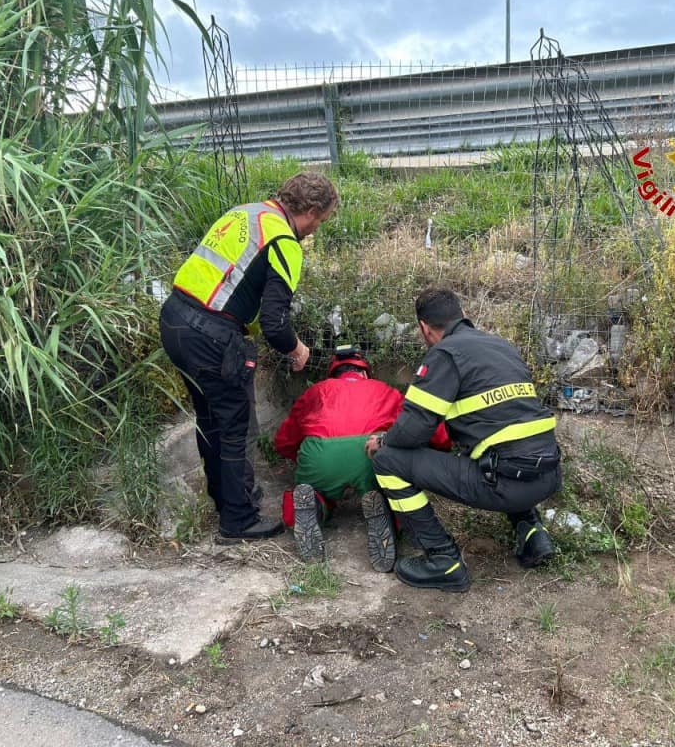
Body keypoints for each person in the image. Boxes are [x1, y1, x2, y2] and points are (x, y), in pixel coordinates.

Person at [160, 172, 338, 540]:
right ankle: (238, 520)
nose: (316, 230)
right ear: (310, 210)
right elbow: (275, 323)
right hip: (212, 335)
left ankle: (228, 500)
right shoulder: (285, 242)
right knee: (236, 427)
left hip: (175, 319)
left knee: (210, 420)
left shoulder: (245, 214)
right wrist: (297, 348)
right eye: (319, 221)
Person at [365, 287, 560, 592]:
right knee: (494, 443)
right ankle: (533, 532)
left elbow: (412, 431)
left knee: (388, 460)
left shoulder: (444, 354)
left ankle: (443, 560)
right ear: (464, 316)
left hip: (507, 483)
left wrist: (384, 440)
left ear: (424, 329)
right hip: (547, 475)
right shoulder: (502, 347)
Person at [273, 345, 451, 571]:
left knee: (314, 490)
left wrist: (299, 461)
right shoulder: (384, 389)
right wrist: (443, 447)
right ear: (365, 372)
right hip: (370, 455)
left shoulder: (317, 390)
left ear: (333, 373)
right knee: (391, 491)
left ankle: (315, 506)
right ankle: (385, 509)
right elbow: (419, 425)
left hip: (319, 456)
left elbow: (284, 440)